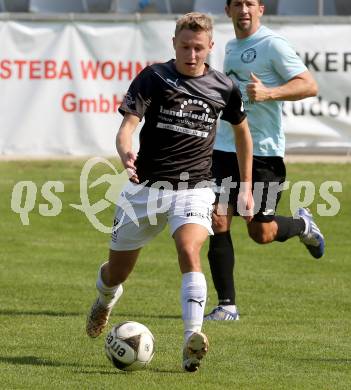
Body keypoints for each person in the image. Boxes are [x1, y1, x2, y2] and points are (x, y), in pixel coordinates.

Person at [86, 12, 254, 372]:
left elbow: (243, 133)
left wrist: (248, 187)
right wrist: (125, 152)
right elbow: (126, 127)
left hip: (194, 189)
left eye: (198, 48)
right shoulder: (155, 77)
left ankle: (192, 340)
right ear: (173, 44)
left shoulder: (223, 87)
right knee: (116, 273)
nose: (191, 55)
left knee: (189, 250)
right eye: (184, 47)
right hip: (144, 188)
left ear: (210, 46)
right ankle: (103, 300)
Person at [205, 0, 325, 321]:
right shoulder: (230, 47)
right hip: (225, 149)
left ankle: (302, 225)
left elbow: (309, 85)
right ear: (227, 10)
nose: (244, 10)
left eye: (250, 3)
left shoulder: (272, 44)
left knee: (260, 232)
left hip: (265, 155)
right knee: (217, 220)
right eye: (237, 4)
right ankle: (226, 305)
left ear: (261, 9)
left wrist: (269, 93)